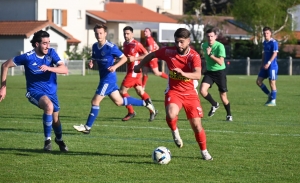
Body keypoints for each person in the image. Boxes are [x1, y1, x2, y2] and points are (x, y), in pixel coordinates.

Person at [134, 28, 213, 160]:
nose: (179, 45)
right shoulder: (168, 51)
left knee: (197, 125)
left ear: (188, 41)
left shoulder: (194, 56)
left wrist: (183, 73)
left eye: (182, 42)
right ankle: (175, 132)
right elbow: (152, 55)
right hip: (174, 91)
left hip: (190, 94)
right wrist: (140, 65)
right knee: (171, 113)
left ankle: (204, 151)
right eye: (177, 42)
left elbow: (198, 74)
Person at [73, 24, 156, 134]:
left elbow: (124, 58)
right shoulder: (94, 46)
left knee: (95, 101)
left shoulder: (111, 47)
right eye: (97, 33)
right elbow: (94, 56)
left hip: (108, 79)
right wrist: (92, 61)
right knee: (119, 102)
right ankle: (145, 103)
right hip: (104, 78)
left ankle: (87, 127)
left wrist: (115, 67)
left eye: (101, 33)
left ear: (105, 34)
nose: (99, 35)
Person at [0, 30, 69, 152]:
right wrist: (3, 87)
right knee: (48, 106)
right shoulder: (28, 57)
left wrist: (49, 68)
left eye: (49, 43)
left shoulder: (51, 53)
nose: (48, 46)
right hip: (34, 91)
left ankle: (59, 139)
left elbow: (64, 69)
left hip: (52, 92)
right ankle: (47, 141)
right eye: (45, 43)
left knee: (56, 120)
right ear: (37, 44)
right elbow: (5, 65)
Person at [120, 26, 157, 121]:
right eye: (124, 33)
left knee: (122, 91)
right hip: (133, 72)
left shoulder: (136, 44)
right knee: (140, 91)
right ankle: (153, 110)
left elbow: (147, 54)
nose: (126, 35)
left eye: (128, 33)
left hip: (133, 72)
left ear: (132, 34)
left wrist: (135, 59)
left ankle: (131, 111)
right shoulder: (125, 43)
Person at [199, 28, 232, 121]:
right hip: (209, 72)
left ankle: (229, 115)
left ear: (215, 37)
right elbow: (203, 57)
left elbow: (221, 62)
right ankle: (214, 104)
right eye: (208, 36)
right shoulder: (204, 45)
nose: (210, 38)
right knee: (202, 90)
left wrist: (210, 55)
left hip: (220, 72)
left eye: (212, 36)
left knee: (223, 96)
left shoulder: (220, 46)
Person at [256, 26, 278, 106]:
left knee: (272, 82)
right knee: (258, 81)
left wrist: (268, 63)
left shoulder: (274, 42)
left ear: (270, 33)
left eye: (267, 33)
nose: (266, 34)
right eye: (264, 33)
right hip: (265, 66)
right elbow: (264, 54)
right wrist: (262, 64)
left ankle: (273, 101)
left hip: (272, 66)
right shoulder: (264, 43)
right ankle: (270, 95)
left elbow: (275, 53)